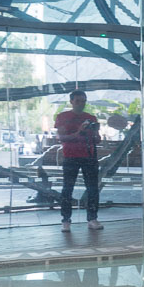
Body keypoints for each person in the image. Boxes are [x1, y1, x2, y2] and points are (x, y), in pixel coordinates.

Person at [55, 90, 103, 231]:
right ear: (71, 101)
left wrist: (95, 132)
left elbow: (97, 140)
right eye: (78, 101)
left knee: (92, 189)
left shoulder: (91, 118)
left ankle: (92, 218)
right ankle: (66, 220)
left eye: (83, 101)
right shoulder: (62, 117)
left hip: (89, 156)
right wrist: (79, 131)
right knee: (67, 189)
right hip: (71, 156)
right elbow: (61, 138)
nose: (81, 104)